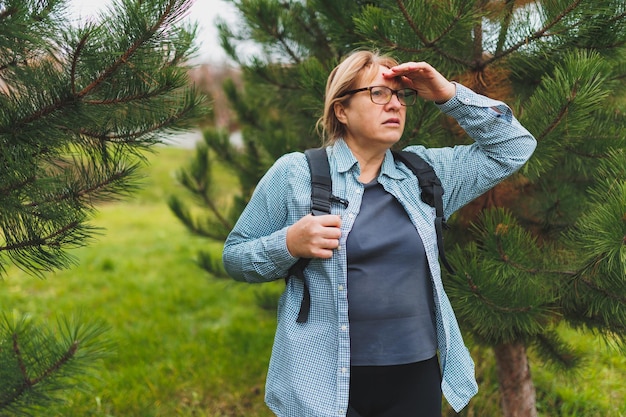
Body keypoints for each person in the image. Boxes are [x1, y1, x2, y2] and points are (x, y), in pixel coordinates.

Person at [222, 50, 536, 417]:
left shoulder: (426, 175)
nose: (396, 106)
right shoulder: (297, 175)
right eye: (378, 94)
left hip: (415, 376)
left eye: (401, 96)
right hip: (324, 380)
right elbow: (235, 256)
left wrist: (447, 94)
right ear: (342, 110)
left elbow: (514, 147)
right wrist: (288, 243)